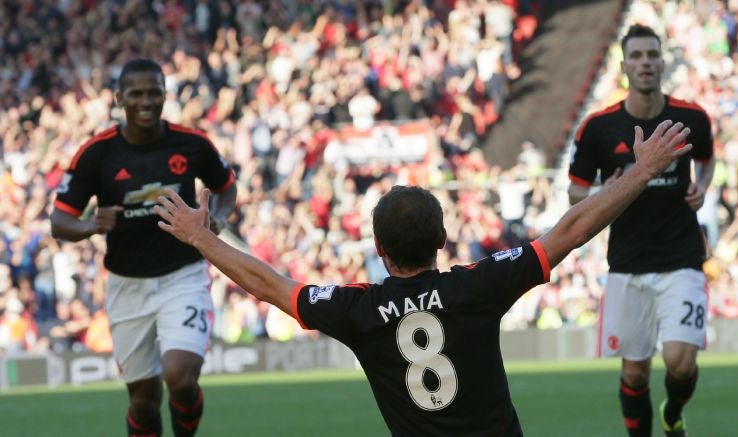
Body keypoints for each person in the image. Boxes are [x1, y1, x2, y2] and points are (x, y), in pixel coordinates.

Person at [155, 119, 691, 435]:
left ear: (378, 248)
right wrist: (642, 172)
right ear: (442, 240)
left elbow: (269, 285)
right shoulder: (478, 286)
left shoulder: (357, 310)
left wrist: (202, 239)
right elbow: (571, 230)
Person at [50, 58, 237, 437]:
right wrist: (90, 225)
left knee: (180, 378)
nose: (146, 101)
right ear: (119, 98)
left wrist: (217, 215)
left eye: (154, 92)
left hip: (182, 276)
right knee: (143, 400)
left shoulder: (192, 143)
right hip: (126, 285)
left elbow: (226, 185)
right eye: (136, 93)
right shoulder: (96, 153)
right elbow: (59, 221)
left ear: (166, 95)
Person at [568, 24, 714, 437]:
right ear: (624, 66)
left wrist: (701, 186)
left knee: (681, 363)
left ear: (663, 62)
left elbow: (706, 159)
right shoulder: (598, 128)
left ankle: (673, 412)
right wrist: (610, 189)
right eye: (637, 56)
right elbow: (575, 195)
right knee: (634, 373)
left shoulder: (693, 117)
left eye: (652, 55)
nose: (645, 63)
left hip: (682, 256)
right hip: (627, 264)